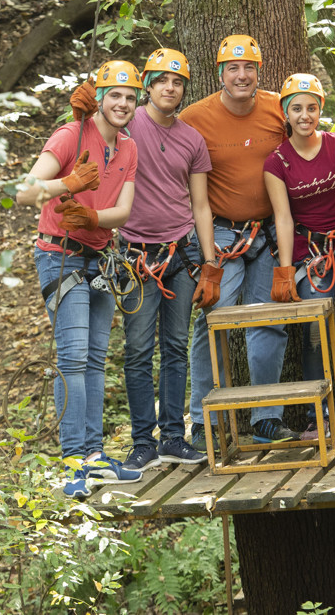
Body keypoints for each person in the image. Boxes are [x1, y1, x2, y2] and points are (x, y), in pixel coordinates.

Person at [17, 60, 143, 498]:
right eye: (115, 96)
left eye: (130, 97)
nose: (123, 104)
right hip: (61, 255)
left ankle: (93, 456)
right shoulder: (71, 135)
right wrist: (67, 183)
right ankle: (75, 461)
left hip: (100, 256)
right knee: (71, 358)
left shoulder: (128, 148)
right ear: (100, 98)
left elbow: (123, 213)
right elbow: (25, 191)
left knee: (93, 359)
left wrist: (91, 215)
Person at [180, 34, 295, 448]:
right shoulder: (195, 117)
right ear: (220, 74)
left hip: (267, 232)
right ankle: (206, 418)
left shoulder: (277, 108)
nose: (242, 75)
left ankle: (266, 418)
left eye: (249, 67)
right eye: (233, 68)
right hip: (221, 234)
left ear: (258, 71)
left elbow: (310, 139)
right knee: (213, 321)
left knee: (269, 322)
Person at [117, 48, 217, 471]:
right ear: (147, 85)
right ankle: (143, 442)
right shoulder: (126, 124)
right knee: (139, 350)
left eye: (177, 82)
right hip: (136, 255)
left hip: (181, 252)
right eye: (161, 80)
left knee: (175, 347)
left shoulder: (192, 139)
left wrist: (209, 262)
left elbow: (201, 204)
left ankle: (174, 436)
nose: (169, 88)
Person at [264, 73, 335, 444]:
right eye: (297, 108)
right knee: (315, 333)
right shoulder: (277, 162)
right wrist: (283, 269)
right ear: (285, 112)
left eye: (312, 108)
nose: (305, 115)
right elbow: (283, 217)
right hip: (309, 257)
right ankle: (319, 416)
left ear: (321, 110)